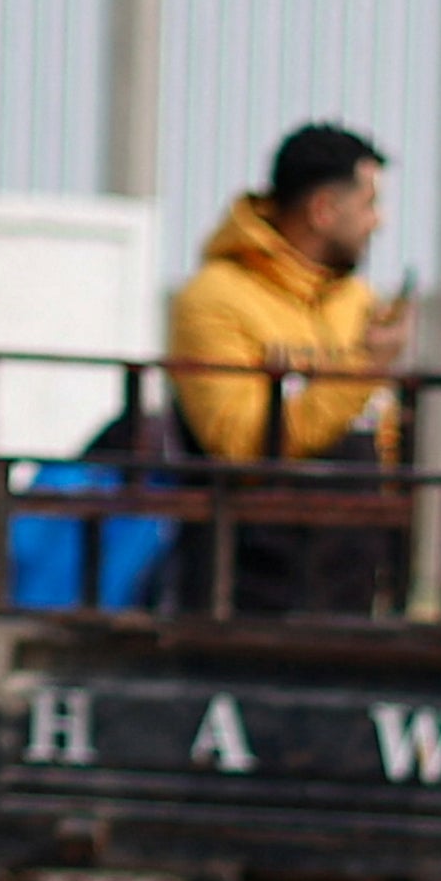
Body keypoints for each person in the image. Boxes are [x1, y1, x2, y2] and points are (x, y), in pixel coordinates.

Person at [171, 122, 407, 616]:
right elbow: (239, 442)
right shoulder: (215, 299)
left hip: (351, 589)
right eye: (368, 204)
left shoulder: (359, 304)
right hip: (246, 596)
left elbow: (382, 443)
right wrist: (362, 371)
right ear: (323, 210)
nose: (379, 222)